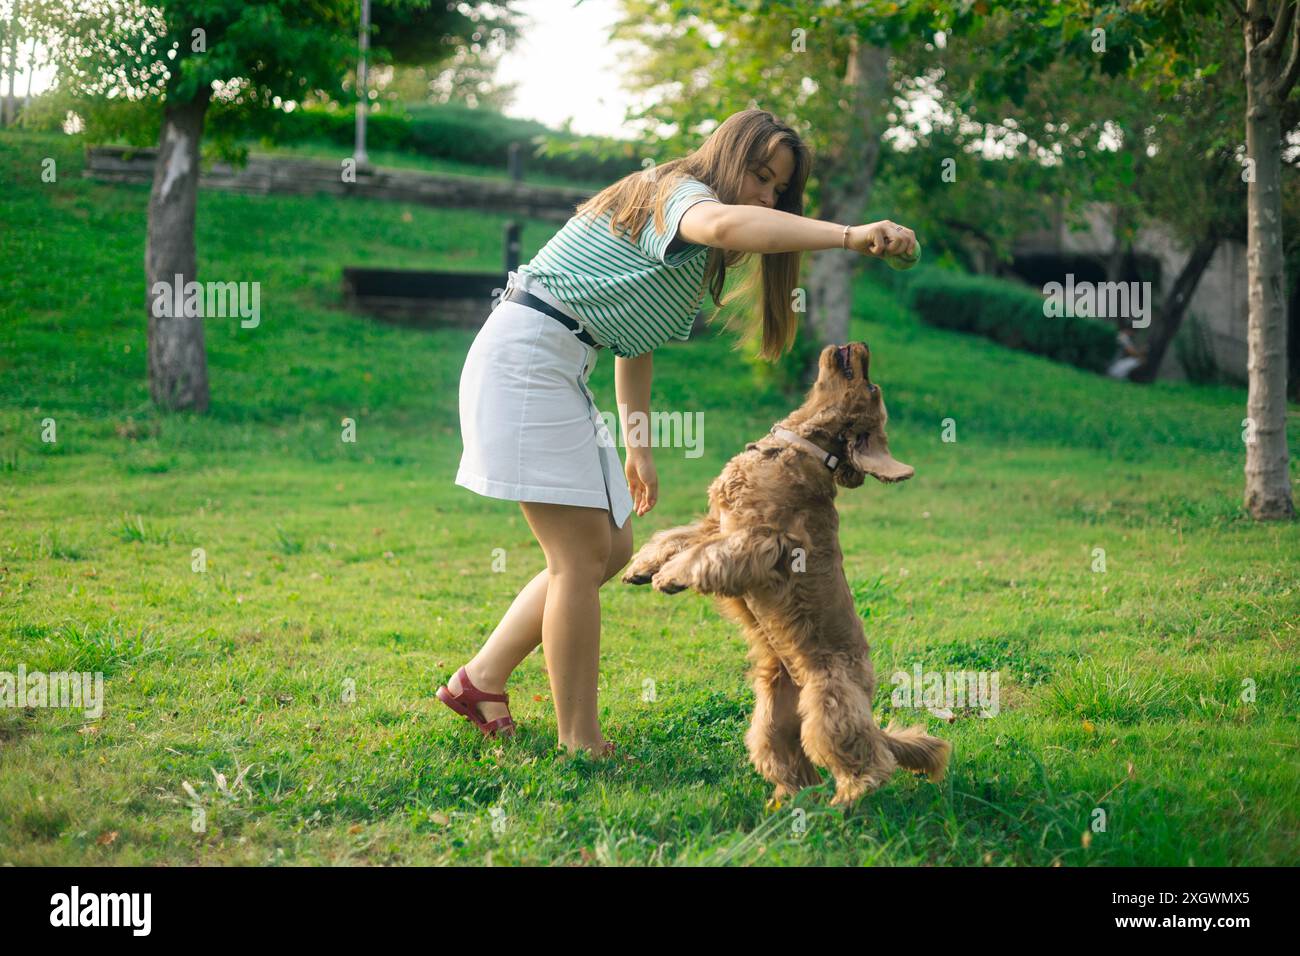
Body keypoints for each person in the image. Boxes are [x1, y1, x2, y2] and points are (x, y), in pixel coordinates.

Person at [438, 108, 919, 758]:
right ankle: (582, 742)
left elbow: (634, 346)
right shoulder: (677, 193)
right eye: (760, 176)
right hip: (528, 359)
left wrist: (639, 444)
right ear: (726, 156)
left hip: (559, 362)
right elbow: (722, 220)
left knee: (609, 551)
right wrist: (849, 233)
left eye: (778, 190)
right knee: (577, 559)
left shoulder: (684, 248)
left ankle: (482, 680)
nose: (766, 196)